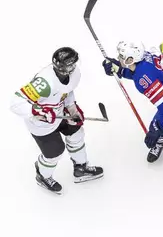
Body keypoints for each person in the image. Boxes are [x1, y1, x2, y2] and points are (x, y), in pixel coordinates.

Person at [10, 47, 104, 194]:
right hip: (41, 123)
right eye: (70, 65)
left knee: (77, 133)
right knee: (55, 153)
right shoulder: (44, 82)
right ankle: (43, 175)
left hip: (60, 113)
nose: (73, 67)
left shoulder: (75, 73)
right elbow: (15, 102)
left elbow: (67, 90)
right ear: (60, 66)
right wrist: (36, 112)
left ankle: (80, 168)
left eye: (74, 63)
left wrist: (72, 108)